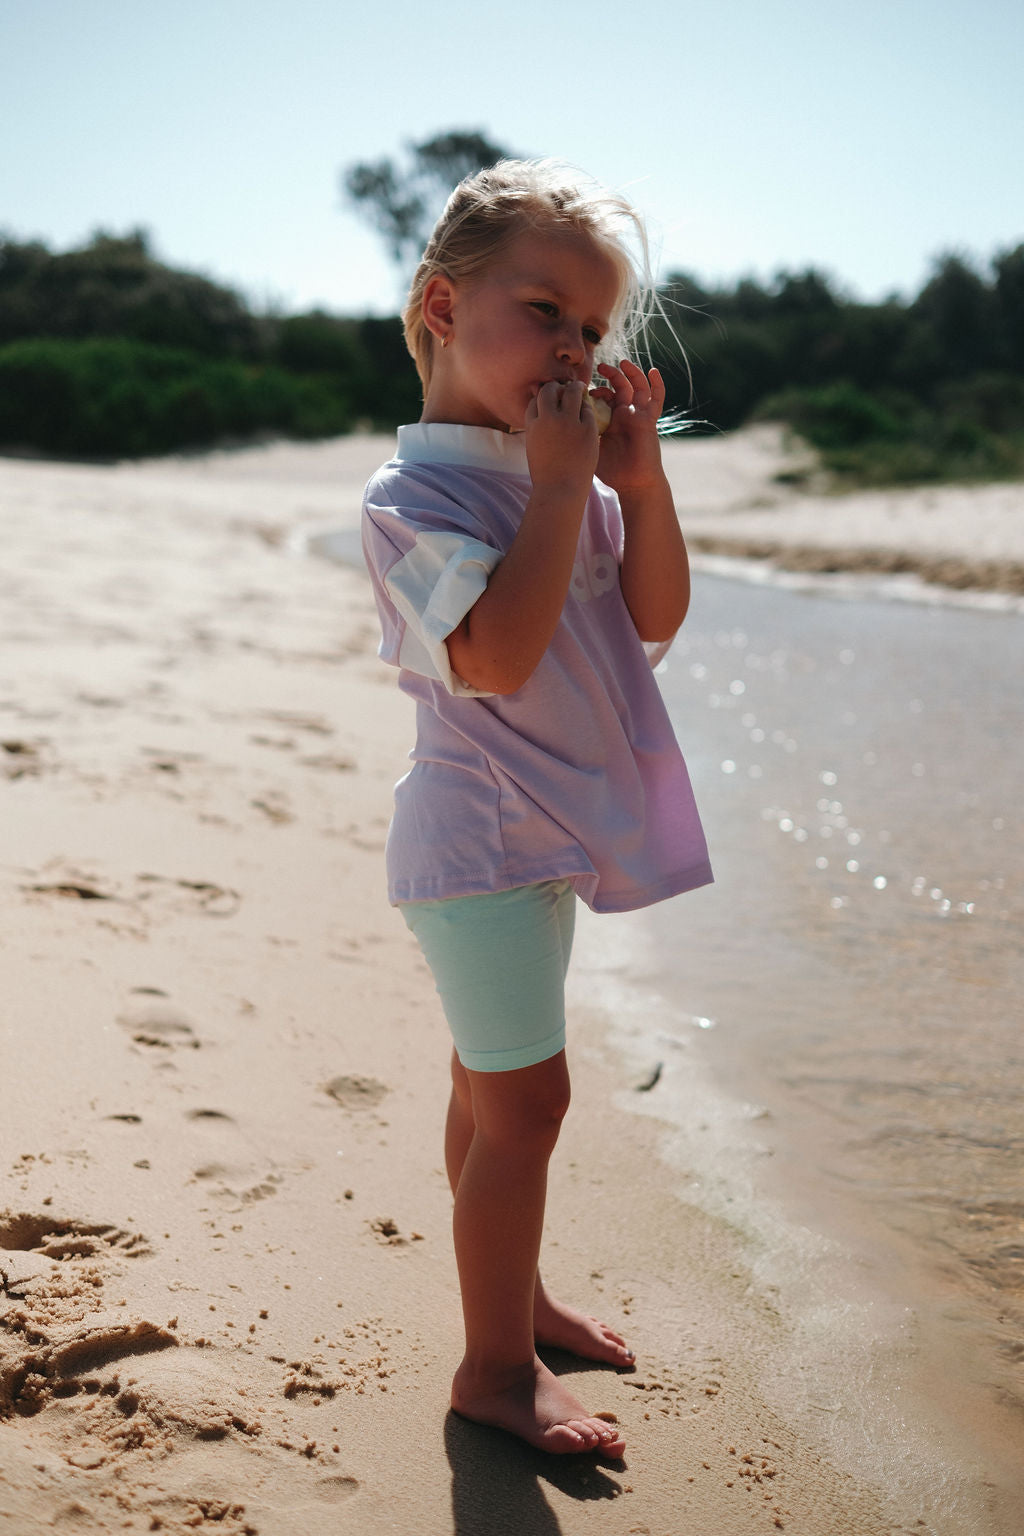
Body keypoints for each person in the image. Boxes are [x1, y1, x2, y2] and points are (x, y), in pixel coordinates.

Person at [361, 159, 712, 1458]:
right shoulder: (419, 501)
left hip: (538, 842)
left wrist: (638, 479)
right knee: (530, 1110)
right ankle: (494, 1370)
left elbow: (654, 621)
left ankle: (518, 1299)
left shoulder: (565, 476)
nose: (573, 345)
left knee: (487, 1090)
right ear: (445, 307)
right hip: (476, 845)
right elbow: (496, 660)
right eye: (544, 309)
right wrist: (564, 486)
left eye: (592, 327)